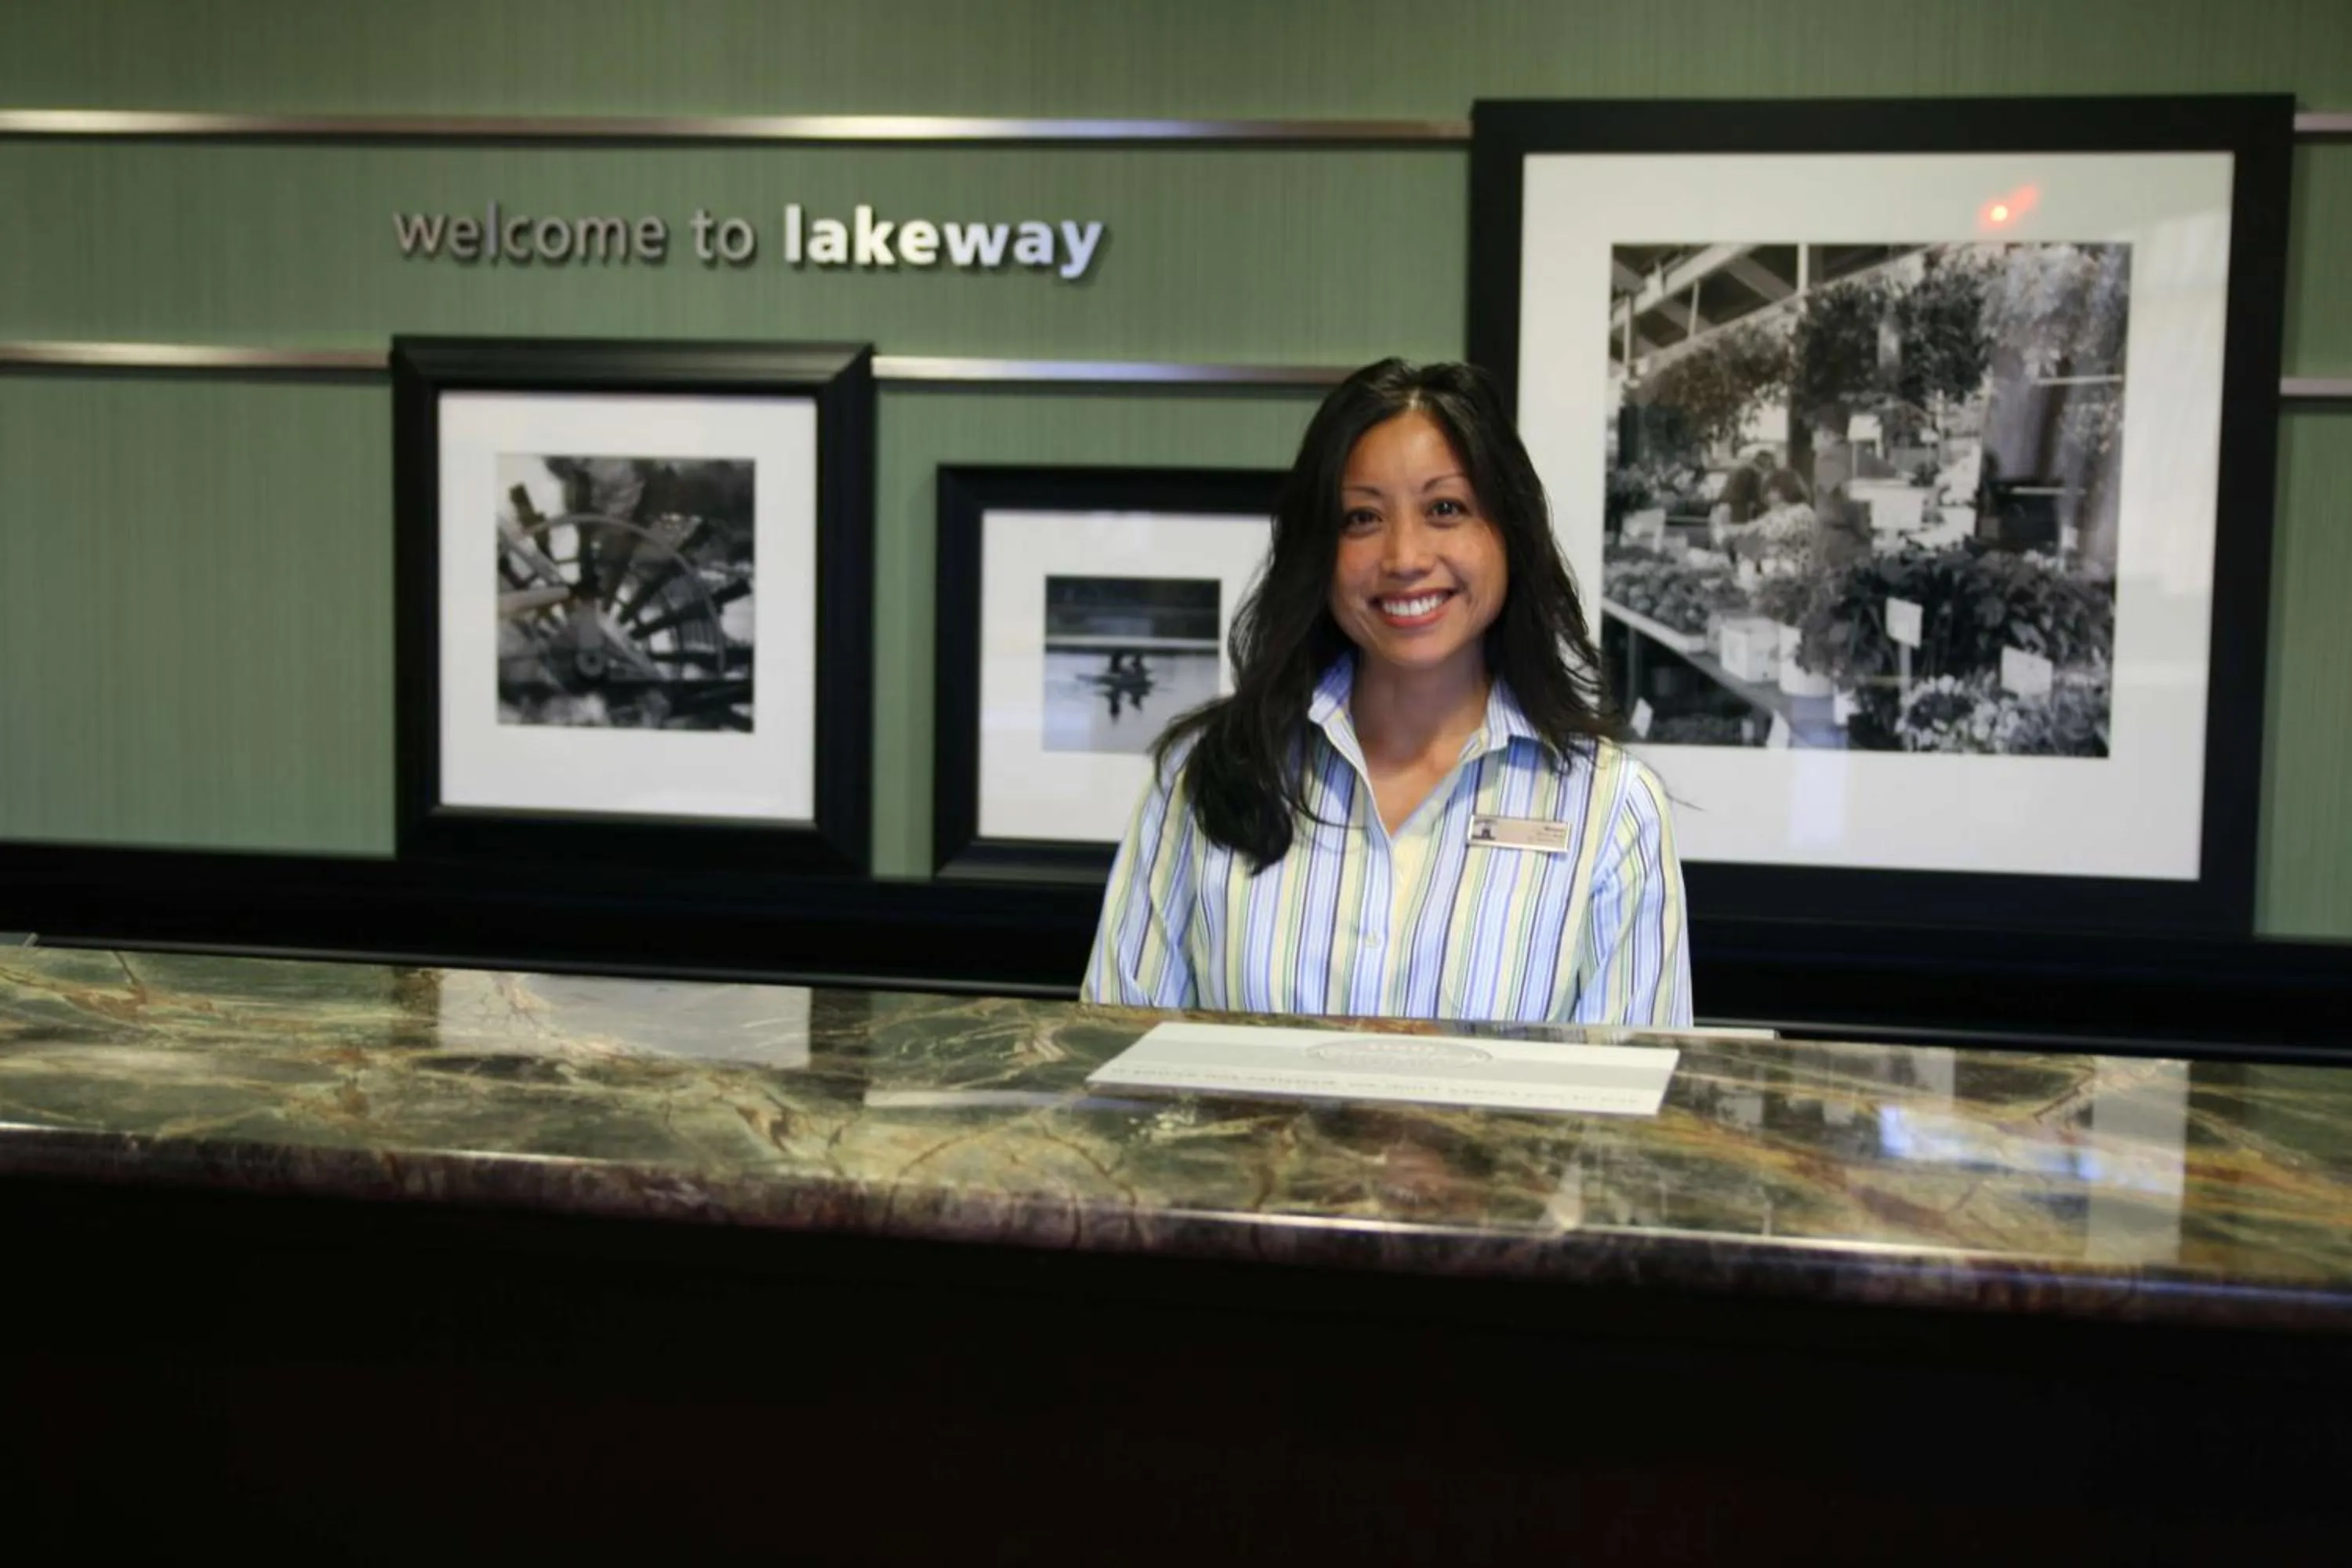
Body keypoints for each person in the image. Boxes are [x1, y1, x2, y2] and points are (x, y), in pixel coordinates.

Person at [1080, 359, 1692, 1027]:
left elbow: (1635, 1089)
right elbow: (1114, 1056)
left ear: (1510, 534)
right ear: (1319, 550)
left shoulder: (1612, 809)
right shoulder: (1207, 772)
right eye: (1362, 518)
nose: (1404, 558)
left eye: (1445, 509)